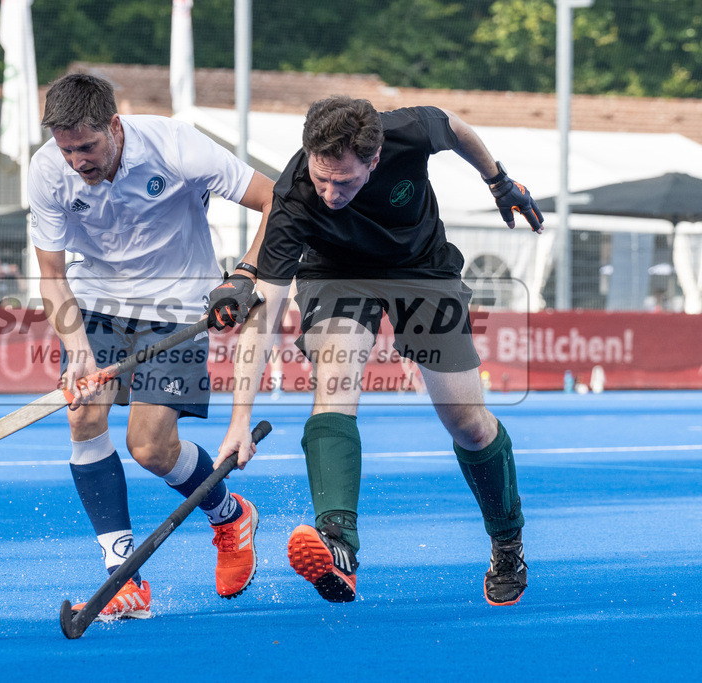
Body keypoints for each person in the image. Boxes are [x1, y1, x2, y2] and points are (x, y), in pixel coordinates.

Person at [217, 97, 543, 607]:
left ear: (374, 159)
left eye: (343, 182)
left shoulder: (410, 129)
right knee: (336, 370)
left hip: (422, 270)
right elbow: (267, 311)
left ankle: (507, 541)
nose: (328, 193)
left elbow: (456, 129)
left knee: (467, 422)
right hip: (336, 273)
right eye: (321, 179)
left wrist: (498, 181)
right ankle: (337, 545)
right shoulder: (295, 196)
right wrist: (241, 417)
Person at [28, 73, 274, 620]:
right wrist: (78, 350)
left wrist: (246, 274)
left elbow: (273, 198)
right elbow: (50, 273)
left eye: (87, 147)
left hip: (177, 305)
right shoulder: (48, 169)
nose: (76, 162)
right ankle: (124, 576)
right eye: (67, 149)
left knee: (150, 447)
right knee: (83, 415)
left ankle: (230, 515)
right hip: (95, 300)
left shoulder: (175, 144)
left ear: (114, 126)